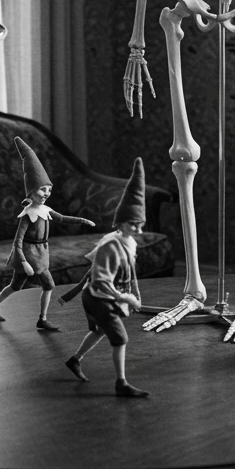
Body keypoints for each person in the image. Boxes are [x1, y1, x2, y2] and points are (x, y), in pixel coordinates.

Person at [0, 137, 95, 331]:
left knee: (47, 285)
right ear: (31, 192)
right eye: (42, 189)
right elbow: (17, 243)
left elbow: (62, 218)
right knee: (18, 286)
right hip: (28, 253)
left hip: (42, 253)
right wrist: (25, 262)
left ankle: (40, 317)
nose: (46, 193)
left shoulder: (46, 210)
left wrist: (82, 221)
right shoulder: (27, 216)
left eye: (49, 189)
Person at [60, 158, 149, 397]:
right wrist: (126, 298)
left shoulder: (129, 241)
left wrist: (135, 295)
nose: (139, 231)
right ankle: (121, 383)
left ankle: (75, 360)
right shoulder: (111, 246)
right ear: (120, 222)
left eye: (141, 225)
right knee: (120, 339)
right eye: (134, 225)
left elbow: (130, 273)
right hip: (98, 297)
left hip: (107, 295)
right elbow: (100, 281)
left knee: (100, 331)